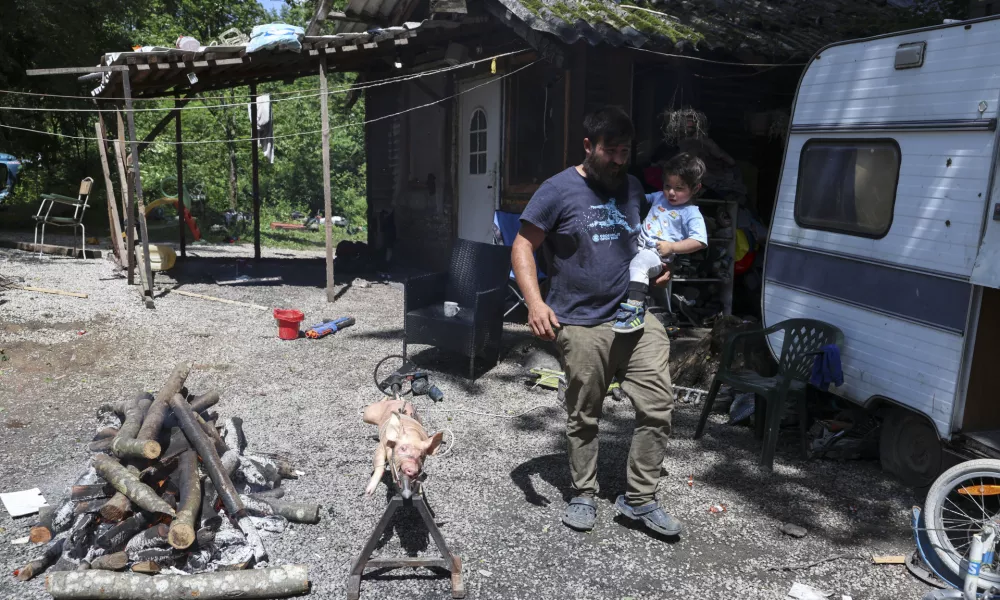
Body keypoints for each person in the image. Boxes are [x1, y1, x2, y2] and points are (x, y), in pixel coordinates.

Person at [512, 106, 683, 538]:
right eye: (610, 150)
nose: (619, 159)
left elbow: (640, 245)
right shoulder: (557, 190)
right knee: (585, 412)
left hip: (635, 315)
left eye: (625, 151)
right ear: (588, 146)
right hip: (581, 322)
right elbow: (522, 246)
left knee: (658, 407)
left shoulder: (630, 187)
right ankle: (583, 493)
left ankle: (640, 498)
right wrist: (535, 303)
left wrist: (661, 270)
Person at [613, 153, 708, 333]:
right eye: (667, 186)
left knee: (639, 264)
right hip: (637, 247)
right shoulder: (659, 197)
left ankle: (633, 312)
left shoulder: (691, 212)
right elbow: (639, 199)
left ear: (695, 188)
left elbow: (699, 241)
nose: (671, 192)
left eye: (679, 188)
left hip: (656, 256)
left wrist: (672, 247)